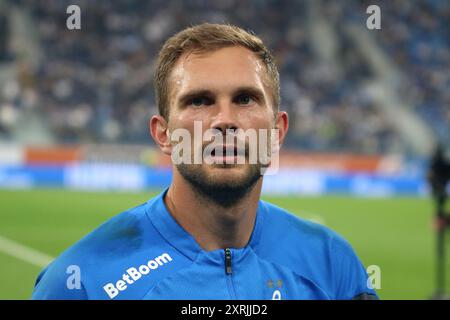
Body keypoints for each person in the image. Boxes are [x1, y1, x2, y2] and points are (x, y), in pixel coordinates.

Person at [32, 23, 377, 300]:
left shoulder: (334, 265)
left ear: (277, 131)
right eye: (199, 101)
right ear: (163, 134)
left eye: (245, 99)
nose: (224, 120)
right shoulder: (80, 282)